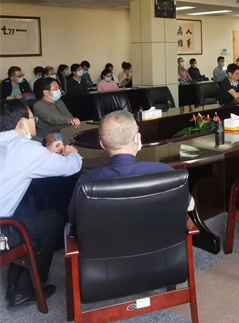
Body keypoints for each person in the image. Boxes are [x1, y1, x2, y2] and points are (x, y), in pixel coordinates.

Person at [0, 100, 82, 309]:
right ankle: (24, 291)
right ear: (22, 123)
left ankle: (18, 279)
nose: (34, 122)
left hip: (5, 218)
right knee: (52, 220)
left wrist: (44, 153)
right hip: (1, 232)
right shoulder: (25, 149)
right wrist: (72, 152)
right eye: (32, 118)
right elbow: (71, 167)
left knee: (28, 210)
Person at [68, 110, 194, 225]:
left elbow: (74, 218)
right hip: (160, 240)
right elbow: (190, 206)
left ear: (102, 144)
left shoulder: (86, 181)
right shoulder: (165, 172)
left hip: (107, 242)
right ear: (138, 138)